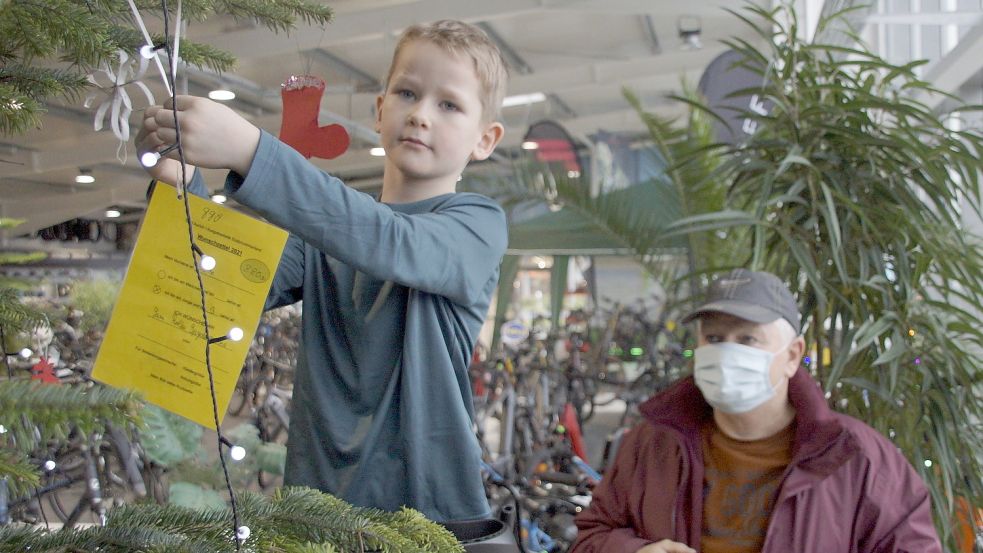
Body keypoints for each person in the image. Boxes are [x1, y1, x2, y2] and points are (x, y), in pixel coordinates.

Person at [135, 20, 509, 522]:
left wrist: (252, 150)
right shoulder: (326, 235)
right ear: (379, 110)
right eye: (407, 92)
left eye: (449, 104)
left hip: (429, 517)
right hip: (317, 511)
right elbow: (214, 282)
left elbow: (393, 243)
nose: (420, 115)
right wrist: (178, 184)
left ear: (485, 139)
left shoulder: (478, 227)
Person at [570, 269, 941, 553]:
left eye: (747, 339)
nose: (727, 353)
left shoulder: (855, 458)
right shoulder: (652, 444)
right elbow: (591, 535)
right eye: (714, 338)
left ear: (793, 355)